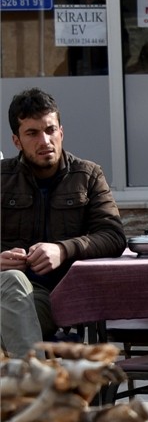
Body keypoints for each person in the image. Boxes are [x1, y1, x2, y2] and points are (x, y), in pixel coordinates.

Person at [1, 88, 125, 356]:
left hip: (49, 295)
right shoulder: (2, 178)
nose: (44, 140)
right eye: (32, 133)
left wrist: (63, 249)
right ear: (16, 141)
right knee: (9, 280)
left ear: (61, 132)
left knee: (13, 293)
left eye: (50, 130)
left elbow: (113, 236)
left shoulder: (87, 175)